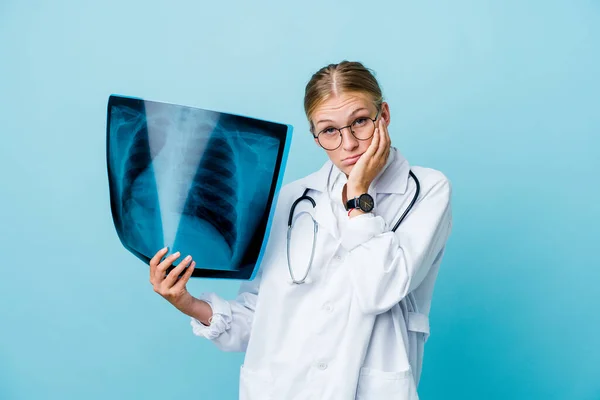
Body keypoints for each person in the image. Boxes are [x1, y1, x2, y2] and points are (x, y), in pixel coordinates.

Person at [148, 61, 453, 400]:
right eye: (329, 130)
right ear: (315, 134)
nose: (349, 143)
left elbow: (379, 291)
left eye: (360, 122)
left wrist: (359, 197)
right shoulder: (294, 199)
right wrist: (188, 303)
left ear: (384, 115)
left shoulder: (426, 190)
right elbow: (258, 316)